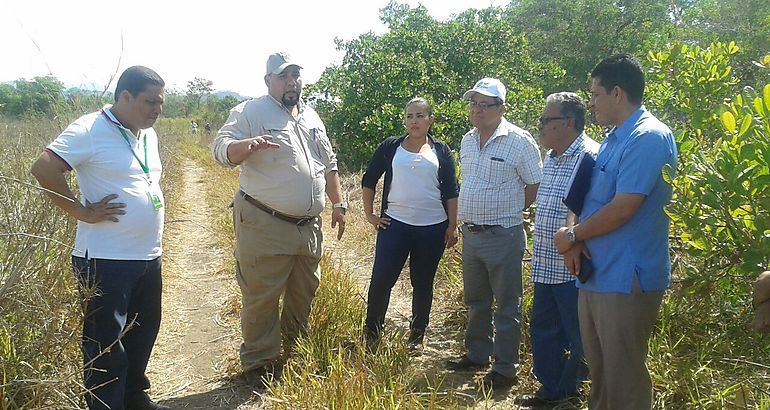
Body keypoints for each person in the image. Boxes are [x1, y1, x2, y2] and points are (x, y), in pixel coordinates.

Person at [30, 66, 168, 410]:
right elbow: (43, 167)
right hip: (106, 258)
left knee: (142, 330)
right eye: (150, 101)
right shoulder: (90, 129)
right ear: (124, 97)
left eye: (161, 103)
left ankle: (134, 397)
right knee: (105, 342)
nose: (157, 110)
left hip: (147, 255)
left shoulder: (146, 134)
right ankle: (107, 405)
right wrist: (83, 212)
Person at [211, 52, 346, 389]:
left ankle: (293, 352)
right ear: (268, 80)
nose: (291, 82)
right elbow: (220, 149)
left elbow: (328, 164)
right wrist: (244, 146)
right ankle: (259, 363)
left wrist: (339, 203)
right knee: (262, 296)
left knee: (304, 292)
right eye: (283, 76)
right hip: (264, 222)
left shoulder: (312, 116)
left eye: (296, 76)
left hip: (308, 228)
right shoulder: (250, 111)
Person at [553, 54, 678, 410]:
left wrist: (574, 238)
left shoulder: (648, 137)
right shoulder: (612, 140)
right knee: (602, 376)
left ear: (617, 93)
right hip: (596, 274)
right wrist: (573, 239)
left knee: (624, 378)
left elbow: (624, 207)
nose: (590, 103)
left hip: (626, 278)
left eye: (595, 94)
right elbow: (588, 198)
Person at [446, 77, 542, 390]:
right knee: (476, 301)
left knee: (507, 305)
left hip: (503, 234)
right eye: (473, 103)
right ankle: (477, 354)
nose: (477, 109)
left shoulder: (519, 140)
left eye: (485, 104)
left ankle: (505, 369)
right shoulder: (467, 140)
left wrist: (509, 210)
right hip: (472, 234)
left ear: (501, 108)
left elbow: (534, 185)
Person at [517, 92, 597, 408]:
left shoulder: (590, 157)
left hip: (572, 265)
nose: (540, 125)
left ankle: (571, 394)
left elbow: (589, 212)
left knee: (577, 335)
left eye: (546, 120)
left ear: (569, 123)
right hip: (545, 263)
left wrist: (575, 243)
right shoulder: (551, 156)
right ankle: (550, 390)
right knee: (544, 328)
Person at [361, 97, 460, 350]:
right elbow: (369, 179)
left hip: (432, 227)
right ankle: (371, 334)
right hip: (394, 225)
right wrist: (370, 215)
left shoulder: (441, 150)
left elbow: (451, 190)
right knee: (382, 279)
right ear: (404, 120)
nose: (414, 121)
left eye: (419, 116)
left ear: (430, 120)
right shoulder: (390, 147)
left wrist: (452, 225)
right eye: (409, 116)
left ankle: (416, 336)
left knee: (423, 282)